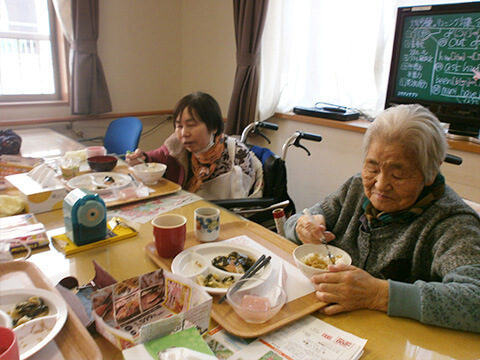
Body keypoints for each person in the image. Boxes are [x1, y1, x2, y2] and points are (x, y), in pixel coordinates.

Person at [284, 104, 480, 333]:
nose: (380, 185)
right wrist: (301, 228)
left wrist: (377, 294)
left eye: (398, 174)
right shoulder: (356, 188)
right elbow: (298, 220)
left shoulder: (451, 222)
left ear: (431, 172)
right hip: (327, 325)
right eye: (373, 167)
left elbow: (474, 299)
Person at [126, 91, 262, 200]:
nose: (184, 133)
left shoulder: (236, 154)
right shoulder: (177, 144)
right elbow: (155, 157)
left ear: (214, 127)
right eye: (179, 126)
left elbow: (242, 205)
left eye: (191, 125)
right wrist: (141, 157)